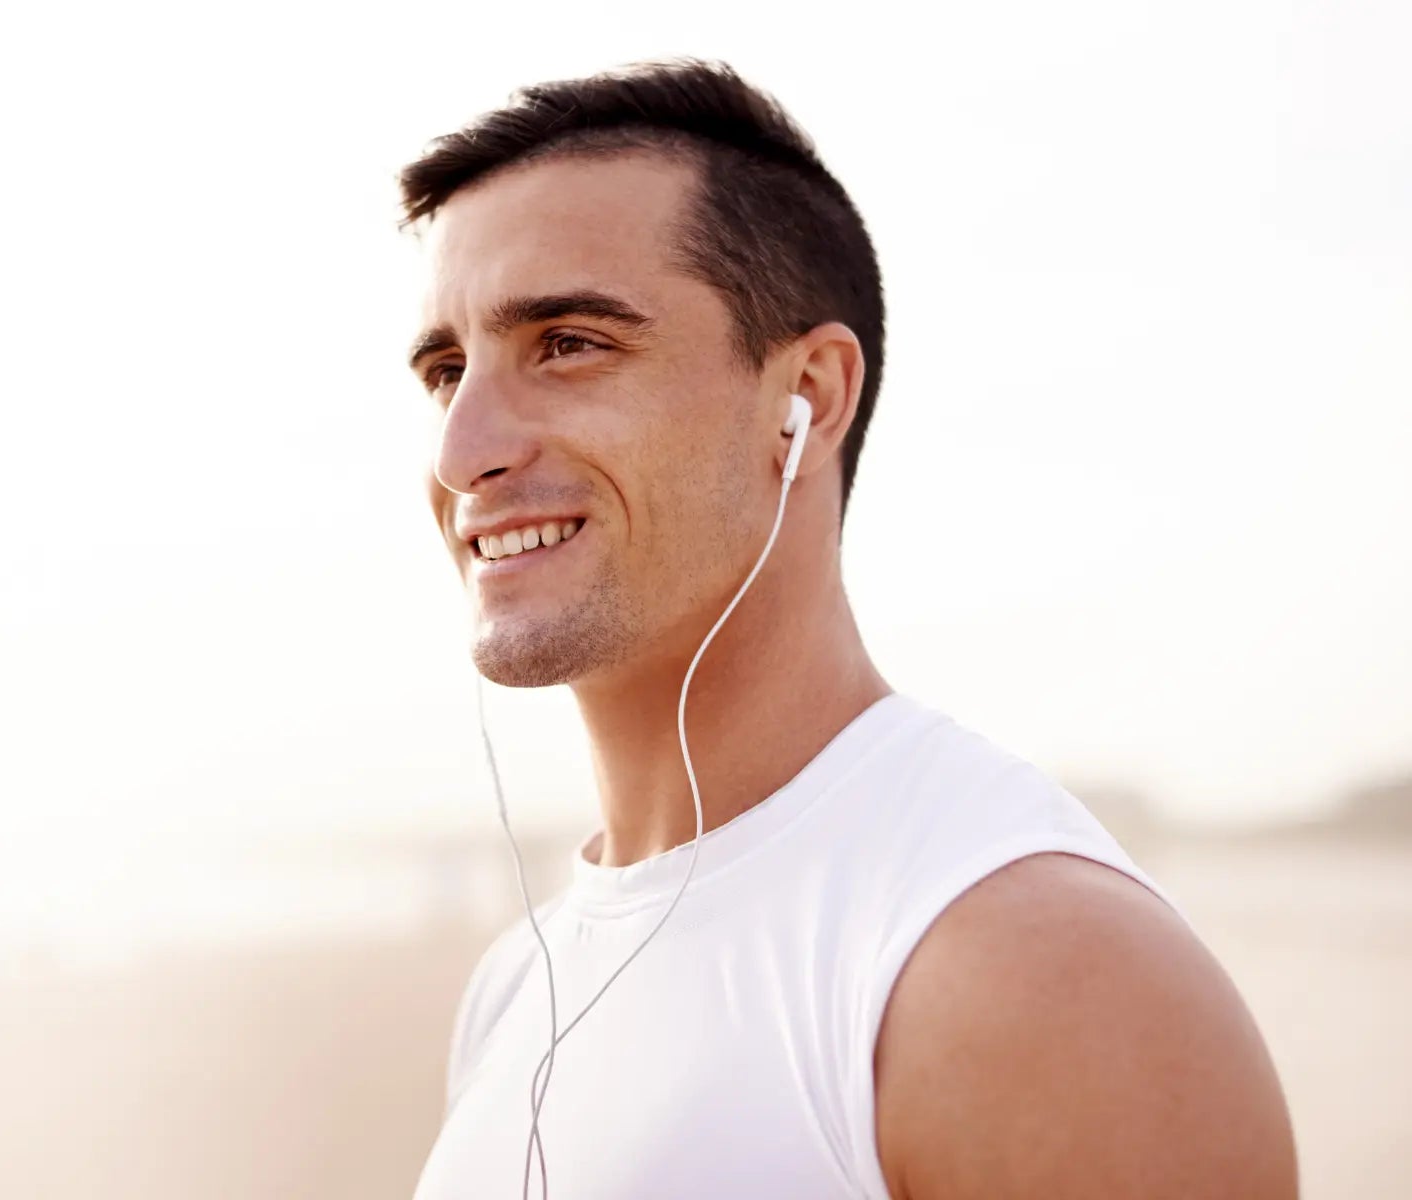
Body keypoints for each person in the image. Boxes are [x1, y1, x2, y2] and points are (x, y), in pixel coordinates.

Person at [397, 58, 1297, 1200]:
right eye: (444, 371)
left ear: (808, 398)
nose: (461, 450)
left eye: (569, 343)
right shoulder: (514, 984)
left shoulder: (1027, 966)